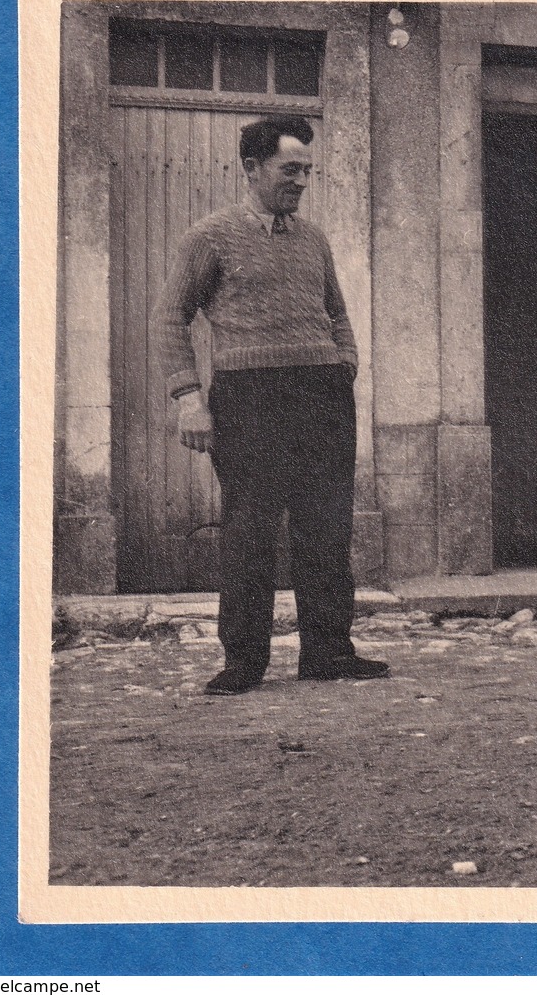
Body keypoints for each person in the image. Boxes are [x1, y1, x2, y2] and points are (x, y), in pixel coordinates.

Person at [152, 115, 387, 696]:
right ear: (252, 168)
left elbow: (337, 312)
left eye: (307, 169)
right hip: (250, 401)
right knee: (250, 531)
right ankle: (244, 662)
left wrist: (344, 364)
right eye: (290, 169)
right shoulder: (209, 237)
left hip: (322, 396)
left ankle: (329, 653)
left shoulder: (315, 239)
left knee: (327, 530)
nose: (302, 180)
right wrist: (189, 399)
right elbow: (167, 319)